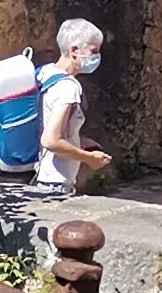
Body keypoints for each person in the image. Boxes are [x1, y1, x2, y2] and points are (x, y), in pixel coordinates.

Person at [35, 17, 109, 194]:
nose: (97, 57)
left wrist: (79, 140)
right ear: (74, 50)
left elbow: (47, 122)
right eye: (94, 51)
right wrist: (89, 158)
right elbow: (51, 140)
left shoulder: (45, 74)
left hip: (40, 177)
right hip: (56, 183)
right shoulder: (68, 87)